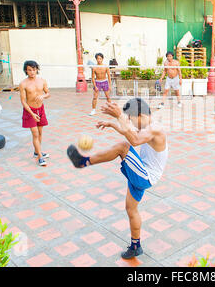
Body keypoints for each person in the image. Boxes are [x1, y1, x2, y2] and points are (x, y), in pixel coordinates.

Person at [67, 98, 168, 259]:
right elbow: (132, 133)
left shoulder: (155, 128)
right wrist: (114, 123)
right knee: (131, 209)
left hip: (145, 176)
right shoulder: (149, 125)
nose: (130, 123)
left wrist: (119, 115)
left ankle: (83, 162)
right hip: (141, 171)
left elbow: (133, 140)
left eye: (131, 119)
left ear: (140, 115)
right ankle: (136, 246)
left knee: (123, 147)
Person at [19, 60, 50, 166]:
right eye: (29, 70)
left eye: (34, 69)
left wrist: (43, 96)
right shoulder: (23, 84)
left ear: (37, 69)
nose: (32, 72)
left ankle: (37, 152)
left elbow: (48, 93)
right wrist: (32, 114)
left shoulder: (42, 81)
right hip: (30, 110)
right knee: (35, 134)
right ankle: (40, 157)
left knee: (40, 133)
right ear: (26, 71)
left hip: (40, 109)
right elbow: (23, 101)